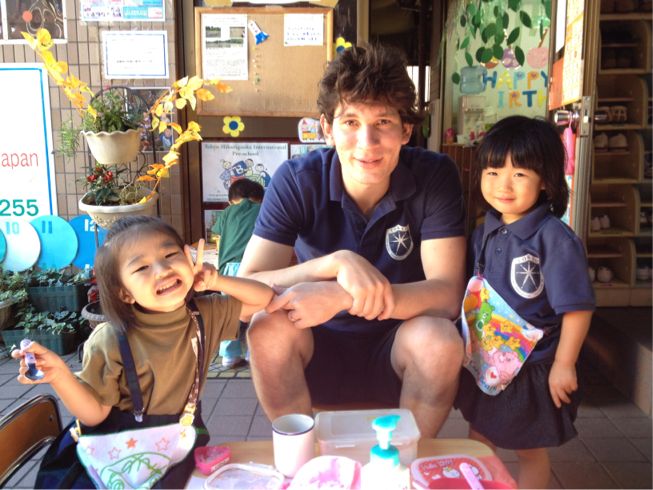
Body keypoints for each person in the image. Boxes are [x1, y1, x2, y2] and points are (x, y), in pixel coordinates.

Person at [238, 43, 467, 438]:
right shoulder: (297, 180)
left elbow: (448, 295)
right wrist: (334, 264)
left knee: (440, 340)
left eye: (383, 122)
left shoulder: (434, 176)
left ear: (406, 130)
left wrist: (344, 297)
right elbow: (244, 298)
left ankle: (408, 459)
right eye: (350, 122)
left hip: (399, 347)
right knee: (266, 328)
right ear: (327, 128)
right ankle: (300, 458)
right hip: (316, 346)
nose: (367, 142)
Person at [12, 215, 273, 488]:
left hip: (178, 453)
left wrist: (216, 281)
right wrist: (59, 376)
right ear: (124, 293)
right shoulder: (109, 339)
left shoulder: (205, 315)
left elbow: (264, 298)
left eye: (170, 255)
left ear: (188, 258)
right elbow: (94, 414)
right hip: (119, 461)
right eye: (142, 267)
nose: (162, 270)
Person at [454, 116, 595, 488]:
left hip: (533, 367)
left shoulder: (555, 239)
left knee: (529, 450)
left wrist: (564, 364)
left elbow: (577, 308)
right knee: (478, 437)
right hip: (487, 362)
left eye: (519, 174)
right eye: (493, 171)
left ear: (545, 180)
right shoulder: (484, 231)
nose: (503, 184)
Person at [211, 178, 264, 367]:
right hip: (254, 266)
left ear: (231, 199)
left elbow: (216, 234)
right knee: (259, 308)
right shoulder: (261, 209)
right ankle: (253, 353)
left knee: (230, 311)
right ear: (259, 198)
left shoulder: (227, 212)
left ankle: (229, 356)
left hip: (228, 269)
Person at [212, 178, 265, 276]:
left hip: (228, 269)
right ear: (261, 200)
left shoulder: (227, 211)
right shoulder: (263, 210)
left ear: (230, 202)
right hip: (255, 268)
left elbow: (218, 241)